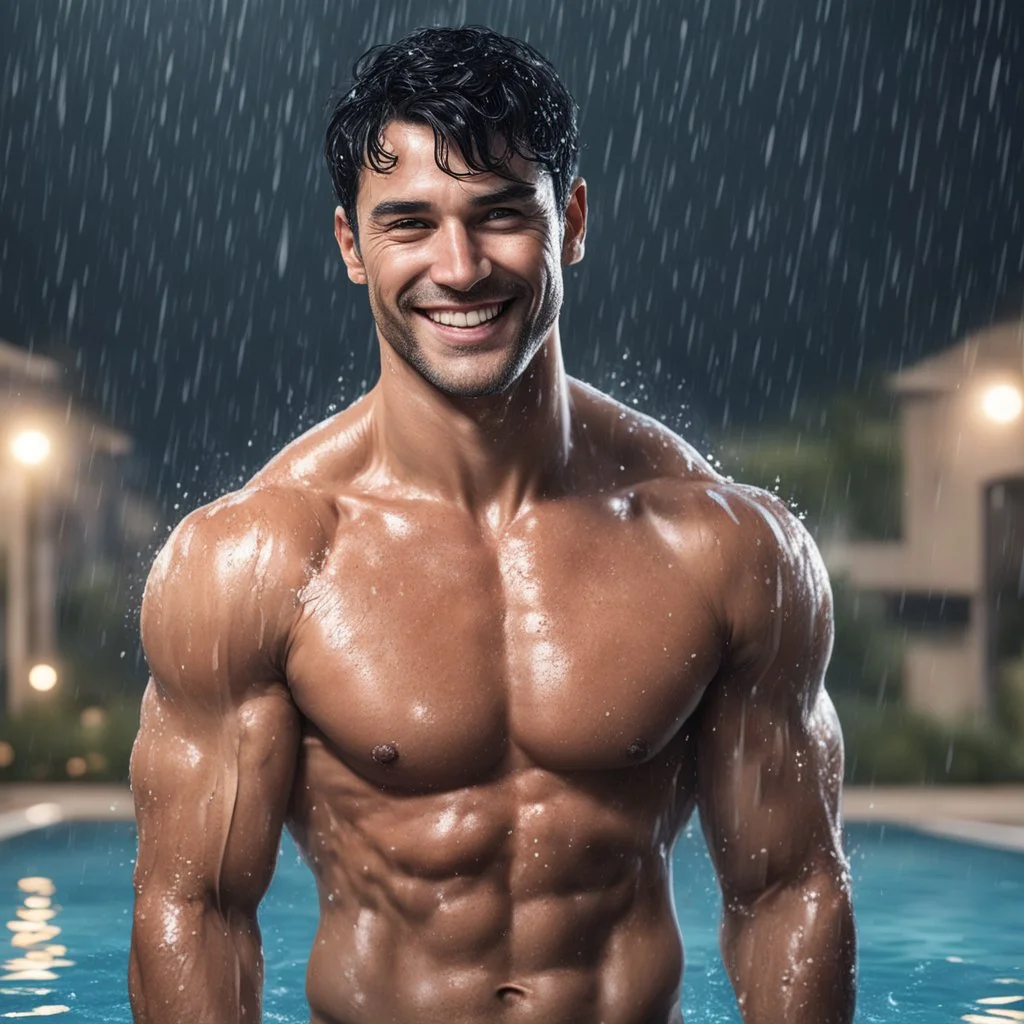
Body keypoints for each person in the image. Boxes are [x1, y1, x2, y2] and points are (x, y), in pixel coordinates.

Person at [128, 24, 856, 1024]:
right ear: (351, 244)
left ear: (574, 222)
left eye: (500, 214)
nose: (460, 267)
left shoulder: (725, 546)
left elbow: (786, 891)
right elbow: (196, 908)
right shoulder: (257, 557)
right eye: (410, 224)